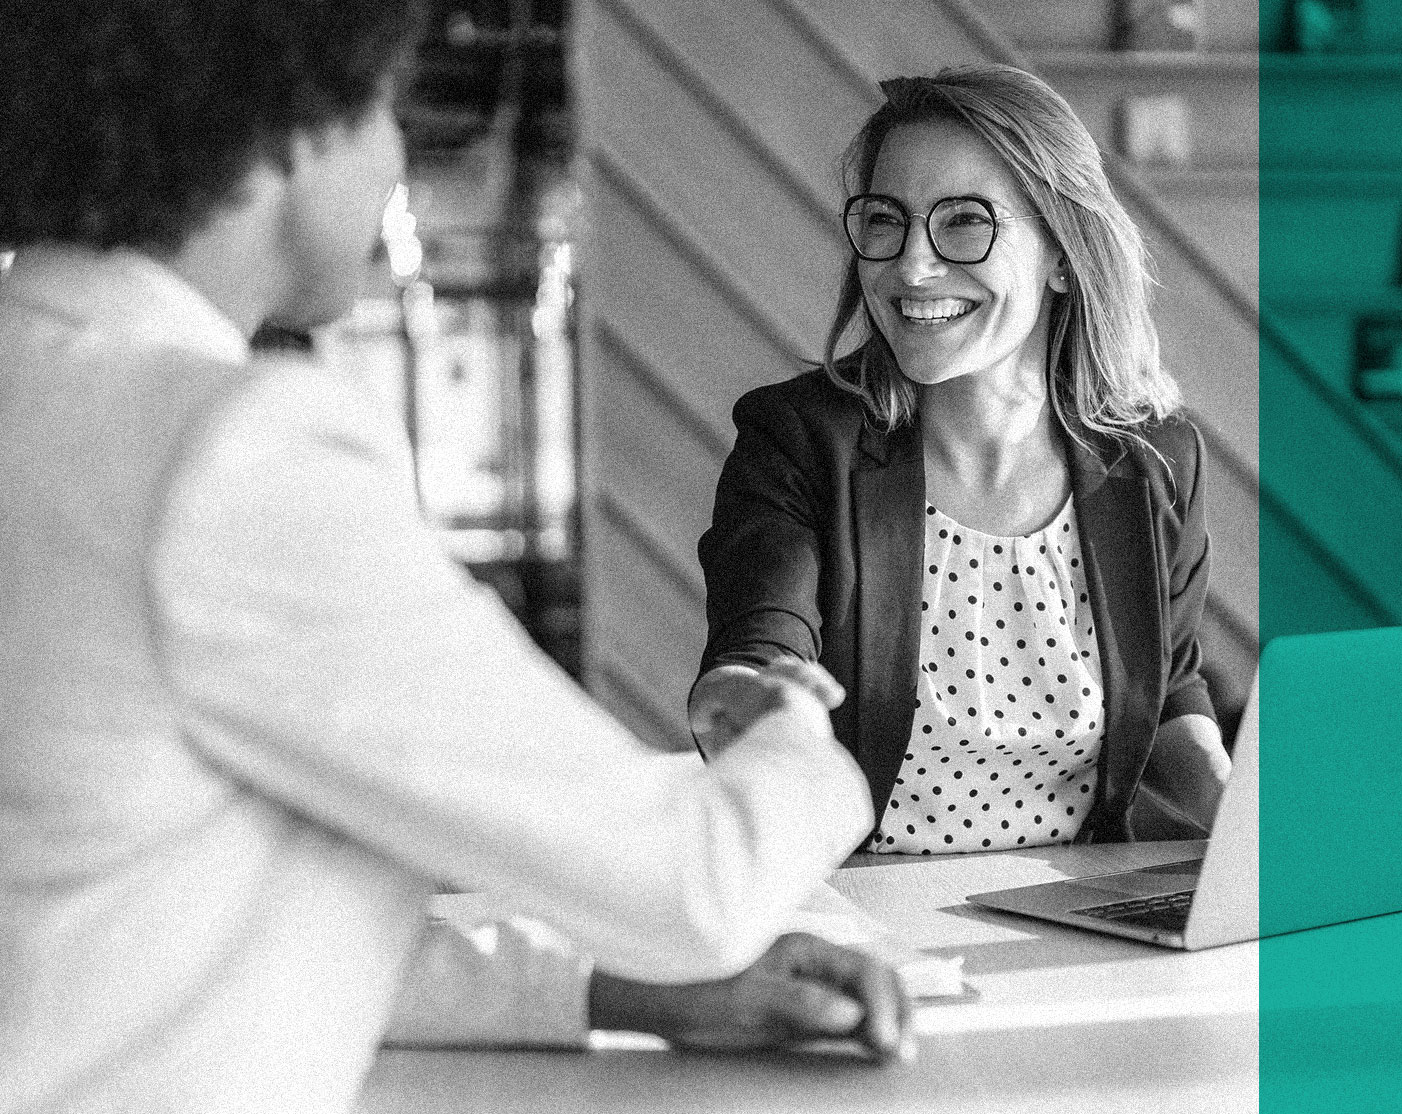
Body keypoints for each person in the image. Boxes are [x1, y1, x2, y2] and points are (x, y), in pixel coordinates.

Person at [0, 4, 908, 1112]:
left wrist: (613, 993)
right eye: (385, 108)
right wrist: (799, 736)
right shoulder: (229, 452)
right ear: (294, 129)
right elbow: (695, 885)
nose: (393, 158)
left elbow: (129, 923)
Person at [692, 64, 1232, 855]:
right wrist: (748, 703)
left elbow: (1173, 686)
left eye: (965, 222)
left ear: (1061, 254)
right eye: (887, 221)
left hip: (1076, 913)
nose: (912, 267)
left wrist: (1252, 826)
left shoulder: (1158, 457)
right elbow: (760, 644)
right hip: (865, 915)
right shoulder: (799, 438)